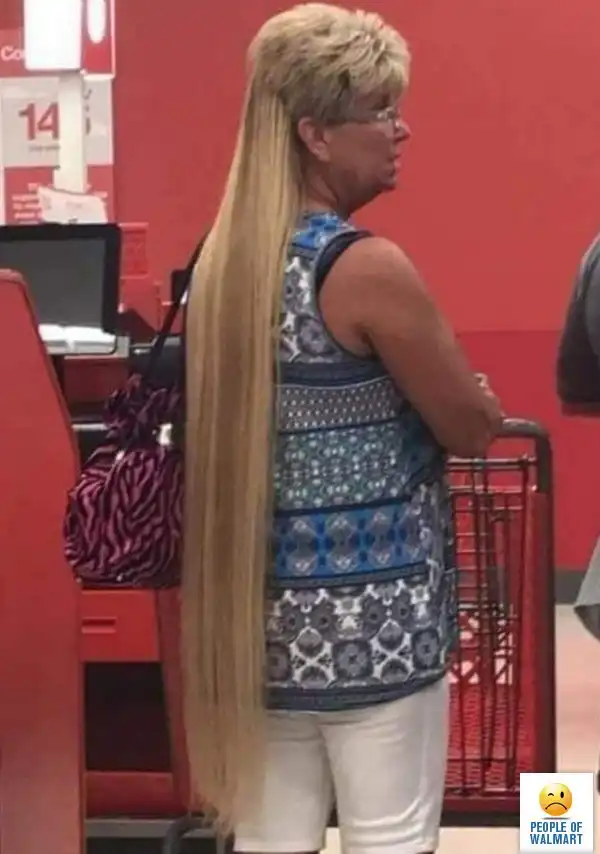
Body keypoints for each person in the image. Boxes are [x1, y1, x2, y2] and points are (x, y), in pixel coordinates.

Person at [181, 5, 503, 854]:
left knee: (268, 839)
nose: (402, 129)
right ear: (317, 135)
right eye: (381, 110)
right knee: (390, 838)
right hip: (378, 626)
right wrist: (474, 397)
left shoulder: (221, 266)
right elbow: (470, 424)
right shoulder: (363, 266)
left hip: (251, 627)